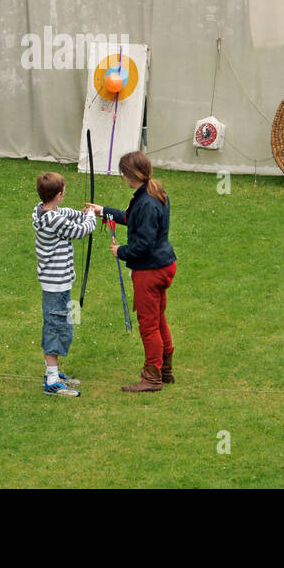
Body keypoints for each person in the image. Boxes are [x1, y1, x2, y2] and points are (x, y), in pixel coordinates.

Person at [89, 152, 178, 393]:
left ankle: (152, 378)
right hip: (162, 265)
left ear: (130, 175)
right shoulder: (152, 192)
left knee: (148, 324)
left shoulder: (147, 201)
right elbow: (131, 218)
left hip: (151, 270)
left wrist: (122, 251)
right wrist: (102, 211)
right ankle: (165, 370)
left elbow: (144, 244)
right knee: (158, 318)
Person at [32, 172, 97, 397]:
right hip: (56, 285)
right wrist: (90, 218)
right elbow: (81, 231)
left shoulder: (43, 211)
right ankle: (52, 381)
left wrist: (83, 213)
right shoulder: (53, 219)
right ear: (59, 195)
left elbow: (68, 214)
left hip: (58, 282)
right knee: (55, 328)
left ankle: (54, 372)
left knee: (60, 326)